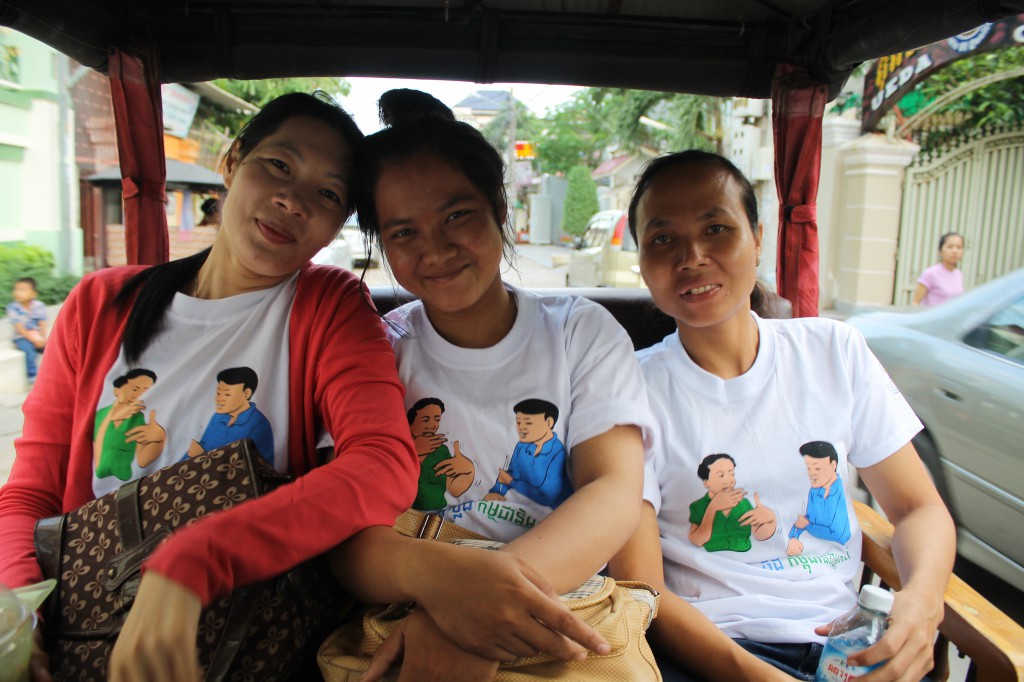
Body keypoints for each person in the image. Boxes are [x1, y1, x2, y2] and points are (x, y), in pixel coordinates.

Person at [0, 92, 420, 682]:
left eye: (327, 194)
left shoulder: (328, 305)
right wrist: (21, 616)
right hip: (80, 634)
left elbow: (382, 464)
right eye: (278, 165)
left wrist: (195, 558)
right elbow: (28, 498)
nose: (292, 201)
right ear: (232, 160)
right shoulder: (99, 304)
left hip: (243, 638)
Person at [329, 89, 654, 682]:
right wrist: (454, 598)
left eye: (458, 216)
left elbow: (613, 489)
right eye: (403, 232)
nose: (436, 248)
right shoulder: (373, 348)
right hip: (411, 605)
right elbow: (344, 530)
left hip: (555, 611)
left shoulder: (580, 332)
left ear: (500, 207)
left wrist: (478, 616)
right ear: (379, 243)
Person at [609, 150, 956, 682]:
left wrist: (923, 602)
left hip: (846, 647)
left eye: (716, 228)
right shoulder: (626, 388)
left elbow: (917, 510)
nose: (692, 256)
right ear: (642, 261)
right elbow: (642, 587)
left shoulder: (832, 351)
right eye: (662, 239)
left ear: (757, 237)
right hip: (707, 653)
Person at [6, 277, 48, 383]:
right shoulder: (13, 308)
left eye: (22, 290)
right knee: (29, 350)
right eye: (16, 289)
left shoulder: (39, 306)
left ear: (33, 294)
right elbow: (19, 328)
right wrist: (34, 340)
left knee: (51, 348)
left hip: (37, 335)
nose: (18, 293)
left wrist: (43, 338)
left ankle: (52, 372)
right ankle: (33, 376)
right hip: (22, 336)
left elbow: (42, 323)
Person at [912, 232, 964, 306]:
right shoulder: (931, 273)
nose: (955, 251)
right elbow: (916, 302)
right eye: (950, 247)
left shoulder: (959, 274)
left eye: (959, 247)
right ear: (940, 251)